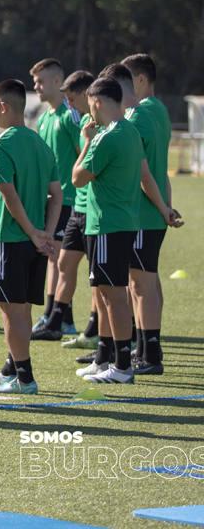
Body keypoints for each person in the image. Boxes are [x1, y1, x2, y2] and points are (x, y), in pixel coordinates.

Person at [0, 80, 61, 394]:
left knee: (12, 310)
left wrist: (32, 231)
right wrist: (47, 234)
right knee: (23, 309)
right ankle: (11, 367)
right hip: (34, 242)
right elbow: (56, 195)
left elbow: (8, 195)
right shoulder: (41, 144)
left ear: (3, 106)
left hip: (11, 239)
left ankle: (24, 378)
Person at [71, 76, 144, 384]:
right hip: (124, 221)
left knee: (112, 295)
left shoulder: (105, 137)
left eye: (90, 105)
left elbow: (78, 178)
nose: (90, 112)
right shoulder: (130, 131)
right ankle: (105, 358)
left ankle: (122, 365)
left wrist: (86, 140)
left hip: (106, 225)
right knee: (106, 292)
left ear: (97, 102)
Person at [120, 53, 183, 375]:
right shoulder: (159, 111)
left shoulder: (138, 116)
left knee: (140, 284)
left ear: (140, 81)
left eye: (125, 83)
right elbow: (159, 169)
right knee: (146, 281)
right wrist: (167, 207)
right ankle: (144, 350)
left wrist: (161, 208)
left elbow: (143, 173)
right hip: (152, 211)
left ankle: (150, 354)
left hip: (142, 213)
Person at [29, 58, 82, 341]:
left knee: (61, 259)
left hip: (70, 199)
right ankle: (57, 317)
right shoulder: (44, 118)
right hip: (50, 200)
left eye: (40, 81)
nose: (35, 86)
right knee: (54, 258)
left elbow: (82, 152)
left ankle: (60, 318)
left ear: (55, 81)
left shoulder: (69, 117)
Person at [55, 71, 100, 354]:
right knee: (64, 263)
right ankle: (58, 318)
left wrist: (86, 141)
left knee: (98, 276)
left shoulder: (97, 126)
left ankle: (95, 329)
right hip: (77, 207)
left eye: (72, 99)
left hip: (94, 209)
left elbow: (84, 167)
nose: (70, 105)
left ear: (87, 94)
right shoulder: (83, 121)